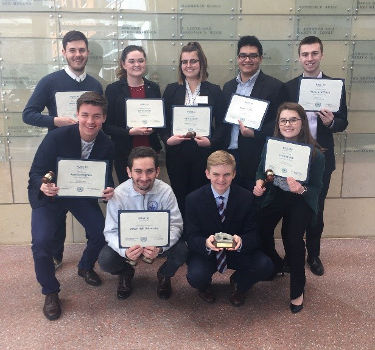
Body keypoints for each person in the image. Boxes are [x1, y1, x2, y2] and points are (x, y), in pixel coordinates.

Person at [28, 92, 115, 320]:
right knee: (42, 242)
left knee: (100, 233)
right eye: (85, 115)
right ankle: (50, 291)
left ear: (104, 117)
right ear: (77, 115)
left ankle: (85, 266)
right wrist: (43, 186)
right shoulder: (56, 137)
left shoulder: (106, 143)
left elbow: (105, 176)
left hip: (80, 196)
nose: (90, 121)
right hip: (51, 195)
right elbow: (36, 173)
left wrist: (108, 190)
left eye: (96, 116)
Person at [23, 30, 103, 269]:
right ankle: (56, 254)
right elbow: (29, 114)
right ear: (64, 52)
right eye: (72, 50)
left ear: (87, 52)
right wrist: (55, 121)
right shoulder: (50, 81)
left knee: (90, 214)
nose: (77, 55)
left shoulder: (95, 84)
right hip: (56, 158)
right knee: (55, 216)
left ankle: (87, 265)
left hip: (86, 161)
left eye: (81, 50)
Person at [285, 36, 348, 276]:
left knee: (315, 209)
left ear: (321, 55)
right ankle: (293, 255)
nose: (309, 59)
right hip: (294, 157)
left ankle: (313, 254)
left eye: (314, 54)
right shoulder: (289, 87)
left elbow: (343, 121)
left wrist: (332, 122)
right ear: (299, 57)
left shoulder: (335, 86)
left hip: (322, 158)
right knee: (292, 207)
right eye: (305, 54)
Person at [253, 102, 325, 313]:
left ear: (302, 123)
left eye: (293, 119)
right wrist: (259, 184)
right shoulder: (272, 146)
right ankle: (276, 264)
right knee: (260, 228)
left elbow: (316, 190)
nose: (288, 124)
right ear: (278, 123)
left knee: (292, 239)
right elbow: (261, 172)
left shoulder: (316, 155)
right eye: (283, 120)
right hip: (276, 195)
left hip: (300, 201)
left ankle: (297, 290)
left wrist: (300, 189)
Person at [185, 150, 273, 306]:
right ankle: (204, 287)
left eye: (226, 174)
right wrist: (205, 243)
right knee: (195, 276)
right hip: (209, 253)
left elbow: (254, 234)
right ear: (207, 174)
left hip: (236, 252)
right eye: (216, 174)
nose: (221, 179)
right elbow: (191, 237)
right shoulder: (193, 199)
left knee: (265, 266)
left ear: (234, 174)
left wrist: (242, 241)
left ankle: (239, 283)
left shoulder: (246, 197)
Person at [98, 146, 187, 300]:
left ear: (157, 171)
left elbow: (176, 225)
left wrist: (160, 247)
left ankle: (164, 275)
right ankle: (126, 272)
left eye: (150, 171)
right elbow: (110, 231)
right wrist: (123, 251)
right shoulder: (118, 194)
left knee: (182, 251)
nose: (144, 177)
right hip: (129, 245)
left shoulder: (166, 191)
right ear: (129, 171)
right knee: (106, 260)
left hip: (157, 243)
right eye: (138, 171)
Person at [162, 41, 226, 215]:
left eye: (193, 61)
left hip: (203, 154)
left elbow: (222, 125)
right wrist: (167, 139)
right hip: (177, 153)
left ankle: (199, 234)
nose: (188, 65)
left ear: (202, 63)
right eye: (184, 62)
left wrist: (211, 142)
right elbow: (163, 122)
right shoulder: (171, 90)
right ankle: (183, 236)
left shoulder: (213, 91)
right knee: (180, 196)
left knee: (201, 196)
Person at [222, 36, 286, 190]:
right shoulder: (228, 87)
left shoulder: (275, 87)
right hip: (228, 157)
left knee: (255, 204)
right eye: (243, 55)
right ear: (238, 58)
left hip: (256, 156)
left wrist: (255, 133)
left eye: (253, 56)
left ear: (261, 58)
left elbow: (281, 123)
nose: (247, 60)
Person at [104, 45, 162, 184]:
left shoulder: (153, 88)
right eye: (131, 61)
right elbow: (106, 126)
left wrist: (154, 128)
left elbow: (161, 120)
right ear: (123, 64)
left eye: (140, 60)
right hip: (124, 151)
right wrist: (129, 131)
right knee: (128, 192)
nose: (137, 64)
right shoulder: (113, 90)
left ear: (145, 63)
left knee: (149, 190)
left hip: (150, 150)